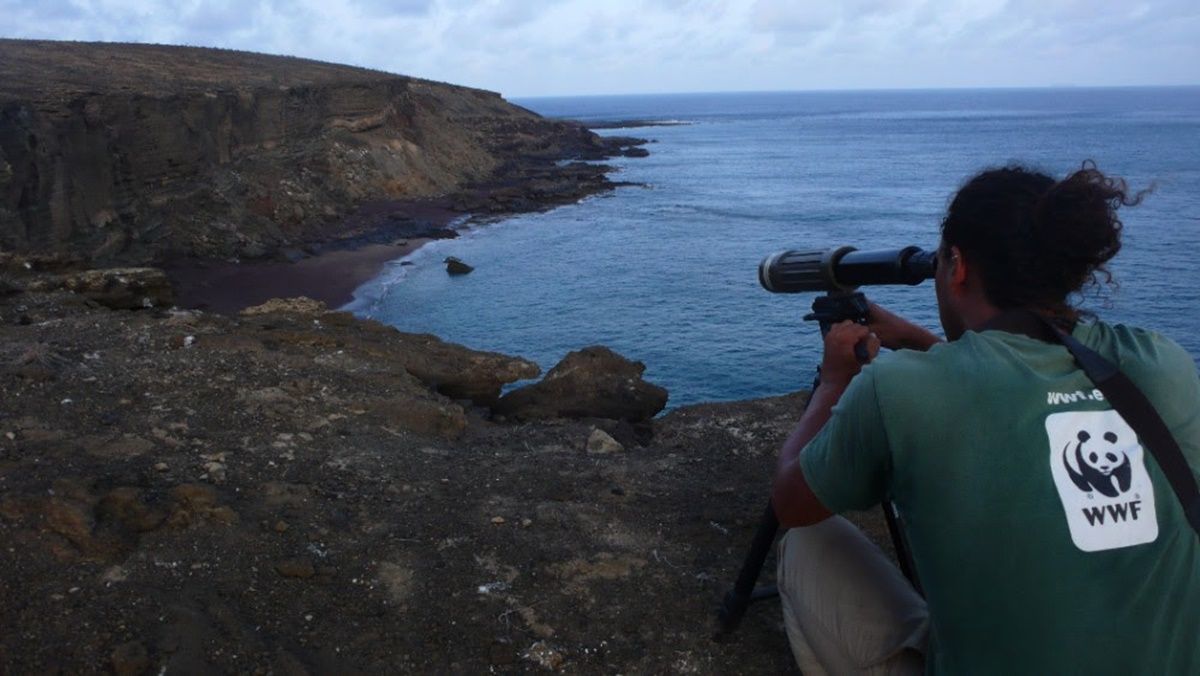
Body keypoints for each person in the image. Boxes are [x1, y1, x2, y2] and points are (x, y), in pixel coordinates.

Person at [770, 163, 1200, 674]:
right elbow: (1025, 378)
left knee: (805, 543)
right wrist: (917, 338)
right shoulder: (1162, 362)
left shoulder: (898, 391)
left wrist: (836, 380)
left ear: (957, 268)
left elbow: (793, 501)